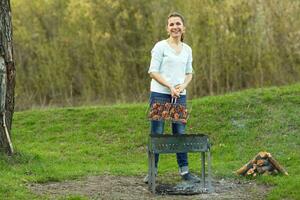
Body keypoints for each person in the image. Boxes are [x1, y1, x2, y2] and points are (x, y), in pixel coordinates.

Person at [144, 12, 200, 183]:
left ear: (184, 28)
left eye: (178, 24)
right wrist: (169, 86)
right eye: (171, 24)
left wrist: (182, 86)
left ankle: (184, 172)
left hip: (180, 96)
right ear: (167, 28)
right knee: (157, 134)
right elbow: (152, 71)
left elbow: (189, 73)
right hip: (160, 95)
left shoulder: (187, 49)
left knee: (180, 133)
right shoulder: (160, 47)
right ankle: (152, 172)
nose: (175, 27)